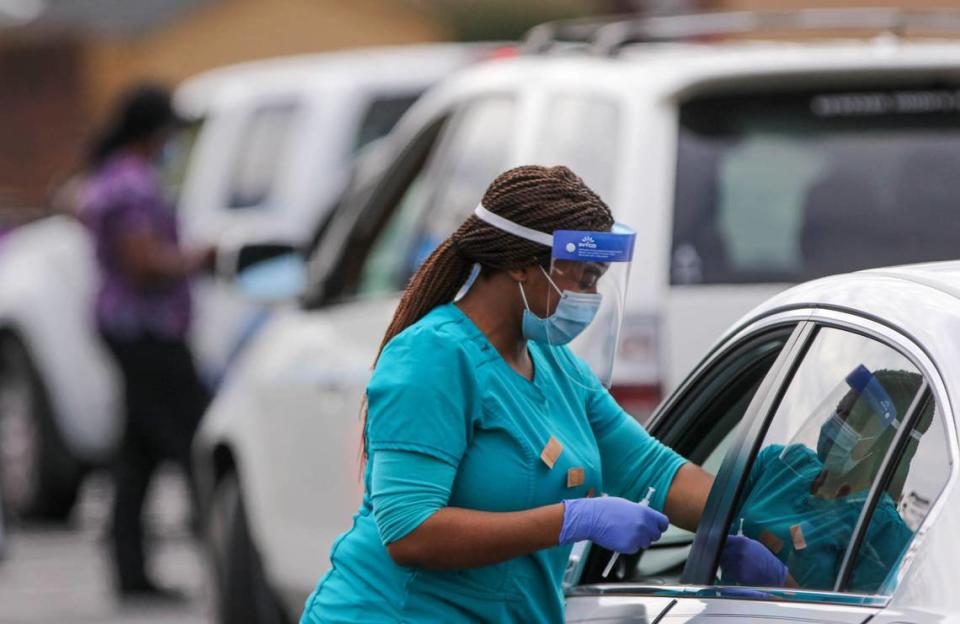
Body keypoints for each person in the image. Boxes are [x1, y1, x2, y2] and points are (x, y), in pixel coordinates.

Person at [300, 165, 779, 623]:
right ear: (522, 266)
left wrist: (762, 515)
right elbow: (409, 531)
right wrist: (572, 519)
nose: (589, 298)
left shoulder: (554, 365)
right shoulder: (432, 357)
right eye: (584, 279)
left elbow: (654, 471)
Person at [78, 84, 212, 600]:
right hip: (146, 331)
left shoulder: (111, 179)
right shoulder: (132, 186)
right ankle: (225, 551)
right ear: (152, 132)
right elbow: (142, 262)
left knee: (136, 454)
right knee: (191, 439)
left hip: (130, 328)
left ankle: (131, 572)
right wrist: (194, 260)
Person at [723, 366, 923, 593]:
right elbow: (710, 517)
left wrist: (780, 583)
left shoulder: (884, 532)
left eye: (852, 420)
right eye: (839, 410)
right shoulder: (778, 463)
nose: (836, 424)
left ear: (882, 445)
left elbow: (860, 617)